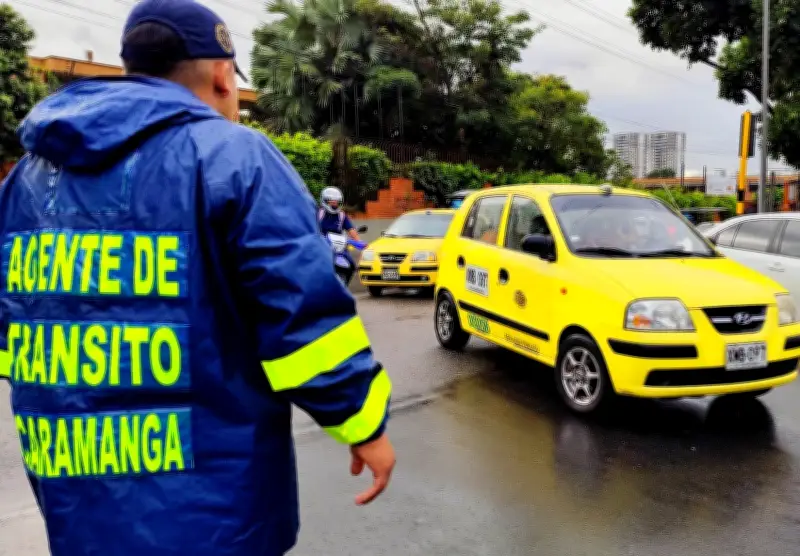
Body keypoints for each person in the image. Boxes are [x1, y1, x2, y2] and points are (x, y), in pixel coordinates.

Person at [0, 1, 394, 555]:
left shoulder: (29, 177)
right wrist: (362, 422)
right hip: (215, 509)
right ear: (222, 75)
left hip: (77, 503)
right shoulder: (234, 156)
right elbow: (302, 315)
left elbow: (11, 325)